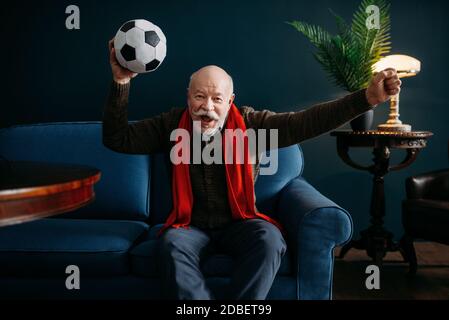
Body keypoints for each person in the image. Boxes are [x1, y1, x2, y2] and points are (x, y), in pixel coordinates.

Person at [103, 39, 401, 300]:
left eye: (217, 99)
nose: (207, 107)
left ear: (230, 101)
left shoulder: (252, 125)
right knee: (169, 245)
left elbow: (308, 121)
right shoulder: (170, 125)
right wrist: (121, 83)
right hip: (189, 226)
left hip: (240, 223)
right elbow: (117, 139)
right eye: (199, 97)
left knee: (270, 240)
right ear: (188, 97)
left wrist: (367, 99)